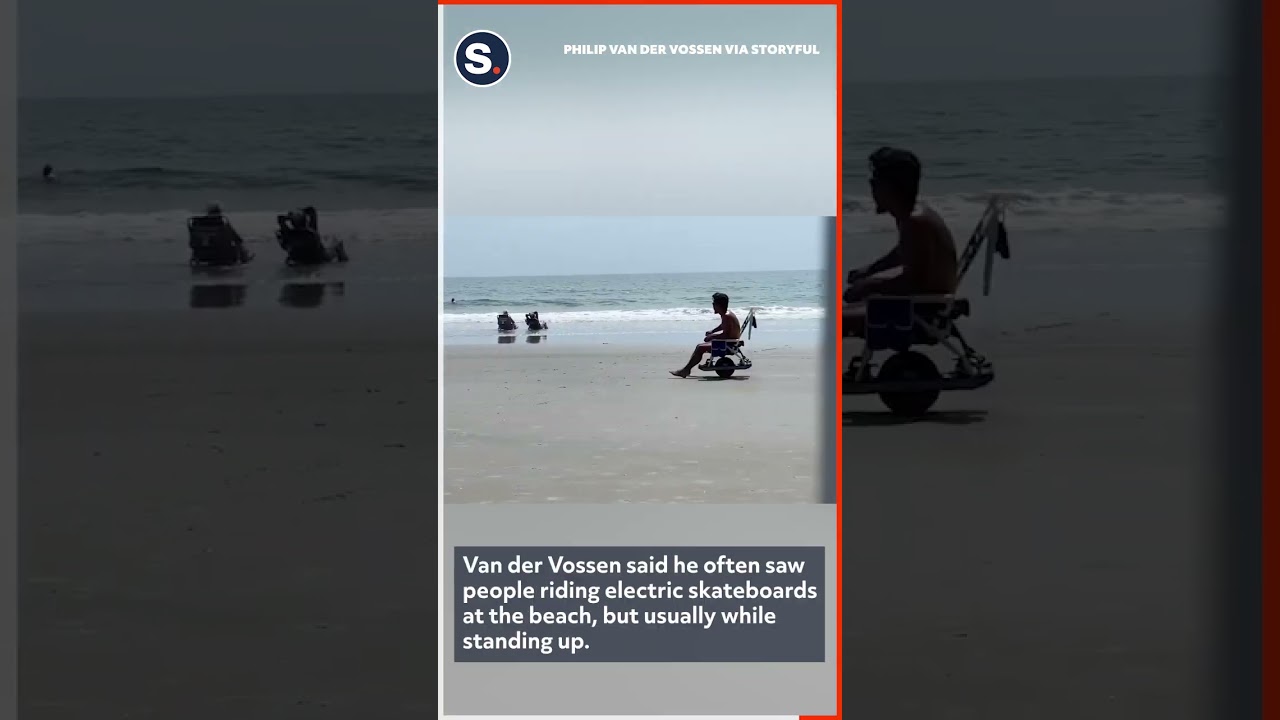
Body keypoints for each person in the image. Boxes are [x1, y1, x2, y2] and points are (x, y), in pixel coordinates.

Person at [843, 147, 958, 337]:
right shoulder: (911, 215)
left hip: (922, 309)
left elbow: (915, 282)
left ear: (892, 186)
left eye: (875, 182)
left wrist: (871, 286)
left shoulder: (915, 222)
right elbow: (904, 251)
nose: (871, 188)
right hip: (922, 301)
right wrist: (871, 270)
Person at [670, 292, 741, 378]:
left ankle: (686, 370)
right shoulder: (726, 314)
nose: (713, 305)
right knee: (700, 346)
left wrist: (712, 336)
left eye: (714, 303)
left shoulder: (726, 316)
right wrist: (713, 331)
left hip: (728, 344)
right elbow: (724, 326)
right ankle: (686, 370)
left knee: (700, 347)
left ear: (719, 305)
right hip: (729, 342)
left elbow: (725, 335)